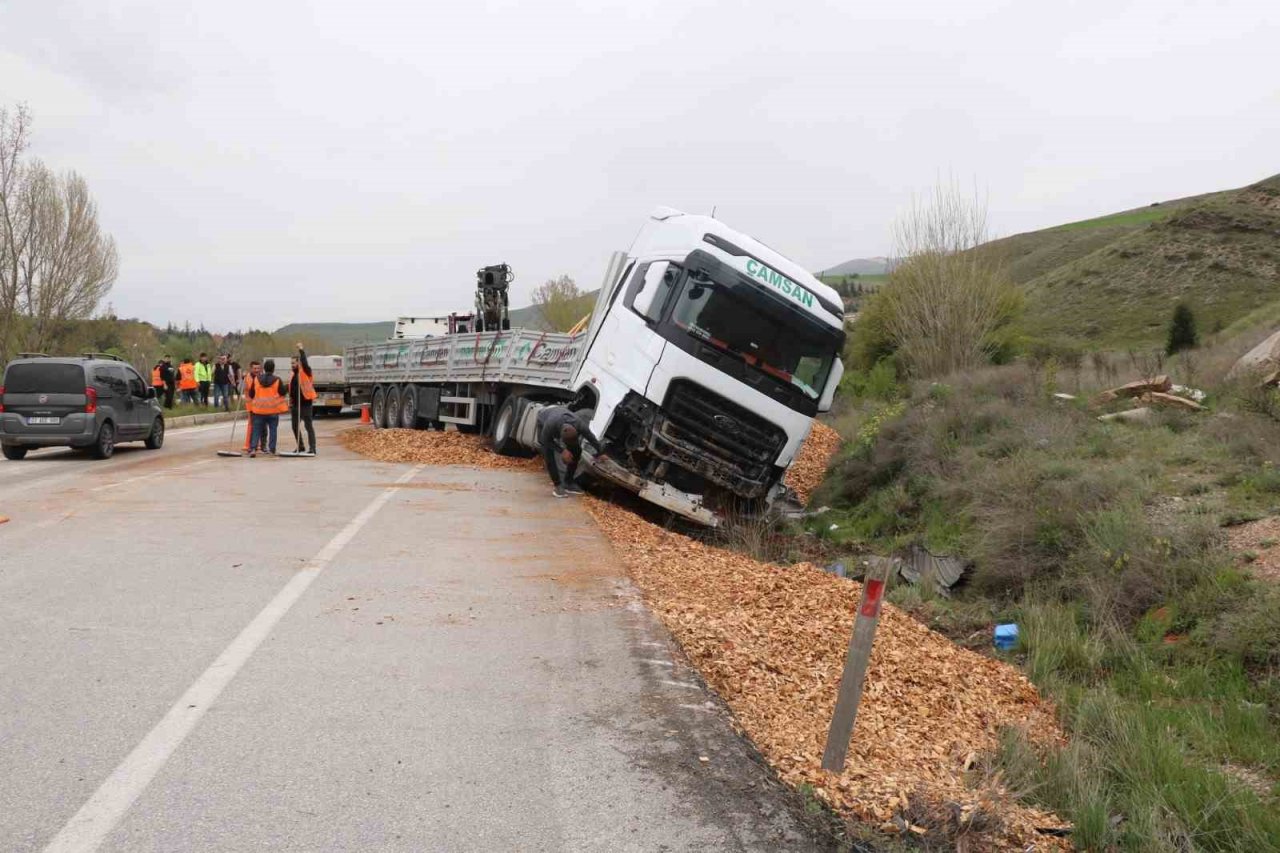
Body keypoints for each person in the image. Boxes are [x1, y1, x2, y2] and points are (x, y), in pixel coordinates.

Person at [536, 406, 600, 497]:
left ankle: (568, 482)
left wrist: (601, 452)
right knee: (548, 454)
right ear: (561, 438)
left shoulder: (579, 424)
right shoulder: (550, 425)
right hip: (543, 419)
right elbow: (544, 440)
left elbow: (591, 437)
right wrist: (562, 451)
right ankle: (558, 486)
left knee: (577, 450)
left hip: (559, 415)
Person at [247, 359, 288, 457]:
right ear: (273, 369)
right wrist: (287, 387)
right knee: (273, 429)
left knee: (256, 429)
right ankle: (272, 449)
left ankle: (253, 449)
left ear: (264, 368)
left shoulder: (256, 379)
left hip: (259, 410)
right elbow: (282, 392)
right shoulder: (277, 380)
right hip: (273, 410)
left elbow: (251, 394)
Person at [288, 342, 317, 455]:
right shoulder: (292, 374)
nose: (292, 365)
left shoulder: (305, 371)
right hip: (295, 404)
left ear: (299, 363)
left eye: (294, 363)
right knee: (294, 426)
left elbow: (304, 362)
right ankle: (300, 446)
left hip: (305, 403)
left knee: (308, 426)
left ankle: (312, 448)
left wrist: (301, 350)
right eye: (291, 363)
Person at [242, 361, 267, 453]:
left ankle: (261, 445)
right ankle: (252, 446)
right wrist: (242, 379)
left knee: (263, 426)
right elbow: (241, 388)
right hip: (251, 406)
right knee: (253, 426)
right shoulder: (247, 378)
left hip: (261, 406)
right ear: (251, 369)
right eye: (255, 368)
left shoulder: (262, 377)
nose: (256, 370)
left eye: (258, 368)